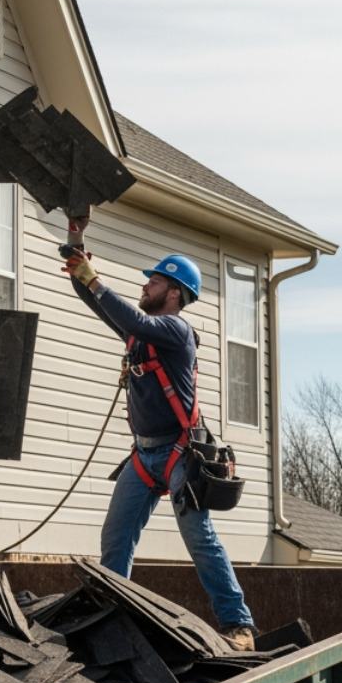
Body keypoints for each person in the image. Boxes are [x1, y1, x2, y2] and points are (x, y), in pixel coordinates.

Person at [62, 230, 256, 651]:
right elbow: (112, 314)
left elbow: (131, 318)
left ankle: (239, 625)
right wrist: (80, 274)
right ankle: (110, 617)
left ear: (174, 292)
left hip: (179, 454)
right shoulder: (144, 333)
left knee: (200, 539)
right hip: (144, 453)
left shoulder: (175, 331)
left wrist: (94, 280)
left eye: (153, 282)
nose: (144, 286)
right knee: (116, 539)